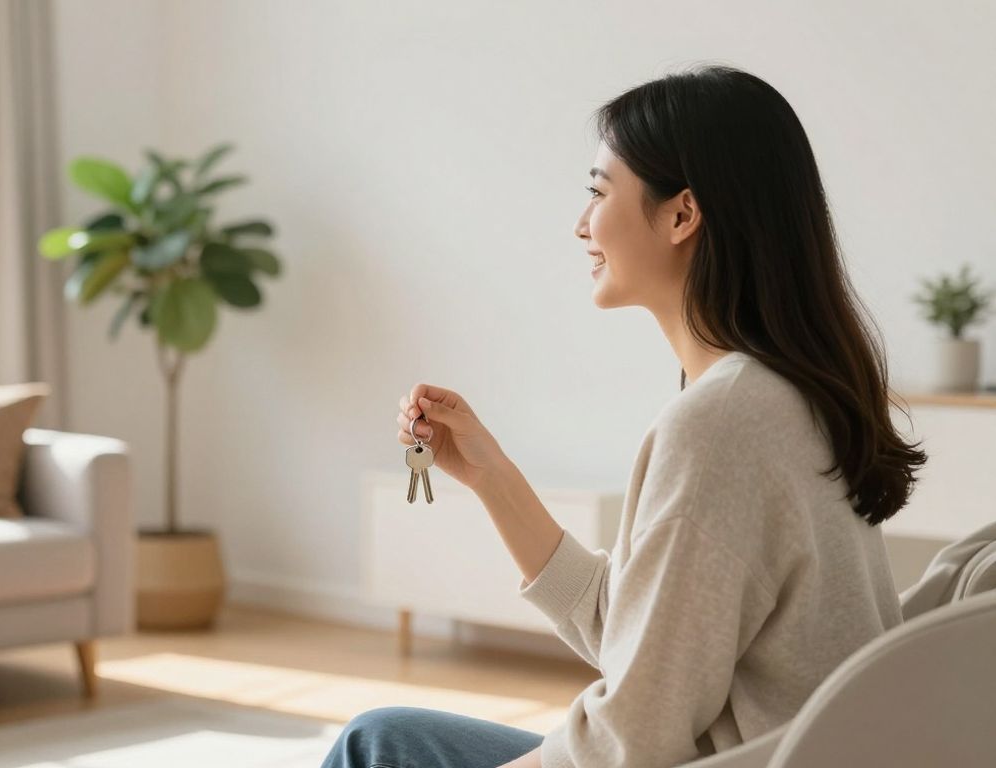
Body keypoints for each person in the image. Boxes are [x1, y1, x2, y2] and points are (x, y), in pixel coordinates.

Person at [320, 63, 928, 768]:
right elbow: (646, 640)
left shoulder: (721, 426)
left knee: (377, 748)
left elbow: (630, 740)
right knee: (387, 736)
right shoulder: (790, 395)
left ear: (681, 214)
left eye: (599, 192)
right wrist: (491, 476)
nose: (581, 224)